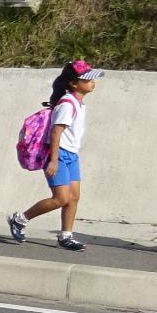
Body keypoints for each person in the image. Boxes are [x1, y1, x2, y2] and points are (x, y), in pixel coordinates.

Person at [9, 60, 102, 252]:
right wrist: (53, 160)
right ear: (74, 83)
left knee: (74, 197)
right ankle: (20, 219)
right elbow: (55, 133)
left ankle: (66, 236)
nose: (93, 83)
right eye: (88, 79)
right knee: (60, 198)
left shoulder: (79, 103)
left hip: (72, 156)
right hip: (59, 155)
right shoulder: (67, 104)